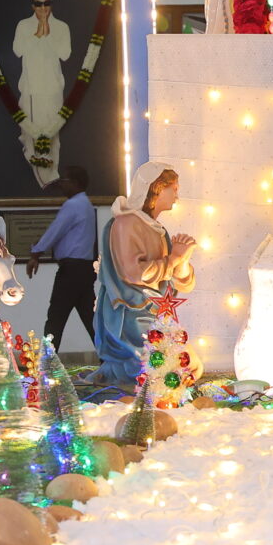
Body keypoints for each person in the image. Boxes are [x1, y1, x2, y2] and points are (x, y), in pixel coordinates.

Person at [96, 162, 196, 391]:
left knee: (186, 367)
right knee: (152, 373)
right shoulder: (126, 223)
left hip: (156, 312)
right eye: (174, 189)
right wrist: (173, 259)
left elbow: (177, 281)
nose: (177, 196)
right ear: (156, 189)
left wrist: (182, 261)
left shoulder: (157, 228)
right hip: (131, 314)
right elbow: (133, 273)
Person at [25, 164, 97, 355]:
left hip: (71, 271)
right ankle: (109, 360)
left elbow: (55, 231)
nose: (62, 185)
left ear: (75, 183)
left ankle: (47, 362)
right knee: (91, 319)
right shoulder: (86, 205)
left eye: (65, 181)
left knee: (56, 317)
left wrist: (36, 253)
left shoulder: (73, 205)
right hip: (84, 270)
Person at [12, 0, 74, 180]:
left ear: (51, 4)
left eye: (46, 3)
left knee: (53, 137)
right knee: (30, 136)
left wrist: (49, 33)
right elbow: (17, 51)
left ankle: (51, 179)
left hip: (53, 89)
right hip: (30, 90)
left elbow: (65, 54)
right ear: (33, 5)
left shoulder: (61, 27)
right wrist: (37, 34)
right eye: (38, 4)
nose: (42, 8)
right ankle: (40, 180)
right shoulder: (23, 26)